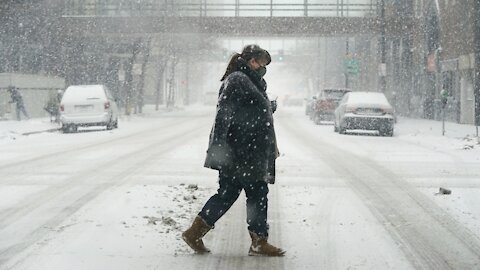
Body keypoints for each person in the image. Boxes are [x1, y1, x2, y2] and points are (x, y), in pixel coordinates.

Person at [182, 44, 285, 257]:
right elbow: (224, 113)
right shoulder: (238, 80)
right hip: (243, 151)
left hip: (247, 151)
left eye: (264, 63)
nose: (261, 66)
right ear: (248, 60)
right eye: (259, 62)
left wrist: (267, 107)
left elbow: (248, 108)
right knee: (256, 194)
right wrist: (219, 146)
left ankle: (195, 233)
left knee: (229, 194)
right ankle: (258, 241)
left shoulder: (250, 81)